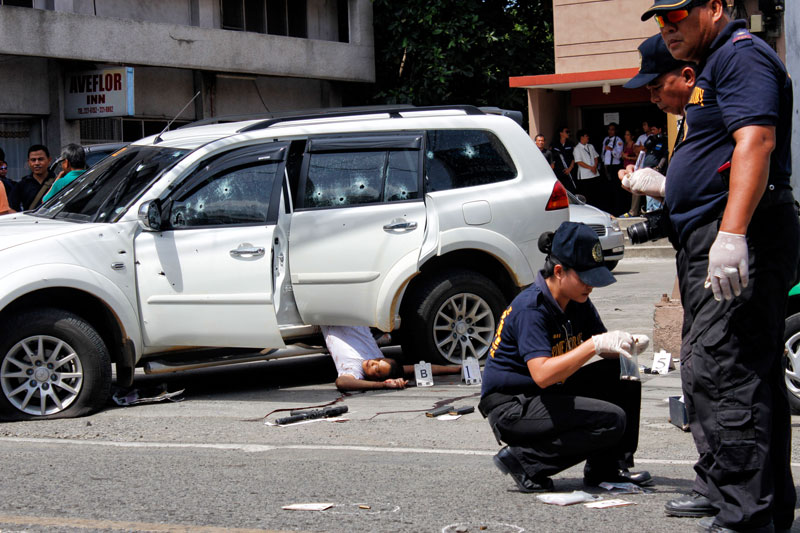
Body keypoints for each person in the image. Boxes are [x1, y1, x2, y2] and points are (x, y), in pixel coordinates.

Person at [629, 2, 798, 531]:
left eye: (677, 15)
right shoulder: (715, 64)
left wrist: (731, 232)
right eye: (660, 21)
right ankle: (759, 507)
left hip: (741, 235)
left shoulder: (740, 57)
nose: (668, 28)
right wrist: (673, 190)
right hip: (715, 235)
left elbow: (757, 141)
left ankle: (745, 515)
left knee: (723, 370)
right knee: (745, 370)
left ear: (715, 8)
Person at [479, 221, 651, 493]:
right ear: (559, 271)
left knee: (621, 370)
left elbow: (601, 345)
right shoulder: (531, 308)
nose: (591, 287)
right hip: (512, 406)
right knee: (610, 419)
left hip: (544, 394)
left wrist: (625, 344)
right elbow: (543, 374)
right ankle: (526, 462)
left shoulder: (577, 300)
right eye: (585, 278)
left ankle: (607, 468)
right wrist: (593, 345)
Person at [322, 325, 460, 392]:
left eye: (376, 370)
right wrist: (455, 369)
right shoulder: (379, 359)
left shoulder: (355, 371)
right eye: (378, 361)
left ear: (375, 379)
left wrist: (382, 385)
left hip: (333, 314)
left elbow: (341, 382)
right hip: (356, 313)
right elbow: (419, 369)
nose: (372, 363)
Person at [11, 144, 54, 212]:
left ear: (49, 160)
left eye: (40, 159)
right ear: (28, 162)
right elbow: (12, 208)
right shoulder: (22, 185)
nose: (37, 163)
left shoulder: (58, 181)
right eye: (33, 160)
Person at [573, 130, 604, 210]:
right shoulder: (577, 149)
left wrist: (595, 166)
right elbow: (579, 162)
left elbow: (596, 157)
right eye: (586, 136)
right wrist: (591, 168)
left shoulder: (590, 146)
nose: (588, 137)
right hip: (584, 176)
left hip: (594, 174)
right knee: (587, 195)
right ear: (581, 137)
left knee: (596, 194)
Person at [601, 123, 625, 215]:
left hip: (614, 166)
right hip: (606, 166)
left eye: (612, 129)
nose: (610, 131)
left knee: (616, 188)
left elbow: (619, 155)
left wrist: (611, 150)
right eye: (609, 129)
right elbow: (603, 153)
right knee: (607, 187)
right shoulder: (606, 139)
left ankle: (617, 209)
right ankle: (609, 208)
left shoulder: (618, 140)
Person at [619, 130, 641, 218]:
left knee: (632, 189)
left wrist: (627, 157)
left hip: (632, 169)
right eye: (625, 134)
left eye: (628, 134)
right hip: (625, 169)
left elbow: (638, 157)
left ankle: (634, 211)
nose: (626, 136)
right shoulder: (624, 145)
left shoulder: (633, 145)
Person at [550, 126, 577, 193]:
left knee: (571, 189)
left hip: (569, 170)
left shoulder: (571, 144)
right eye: (566, 132)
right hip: (558, 170)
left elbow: (575, 157)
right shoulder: (554, 144)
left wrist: (570, 168)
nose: (568, 133)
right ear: (561, 133)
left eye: (569, 132)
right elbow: (551, 157)